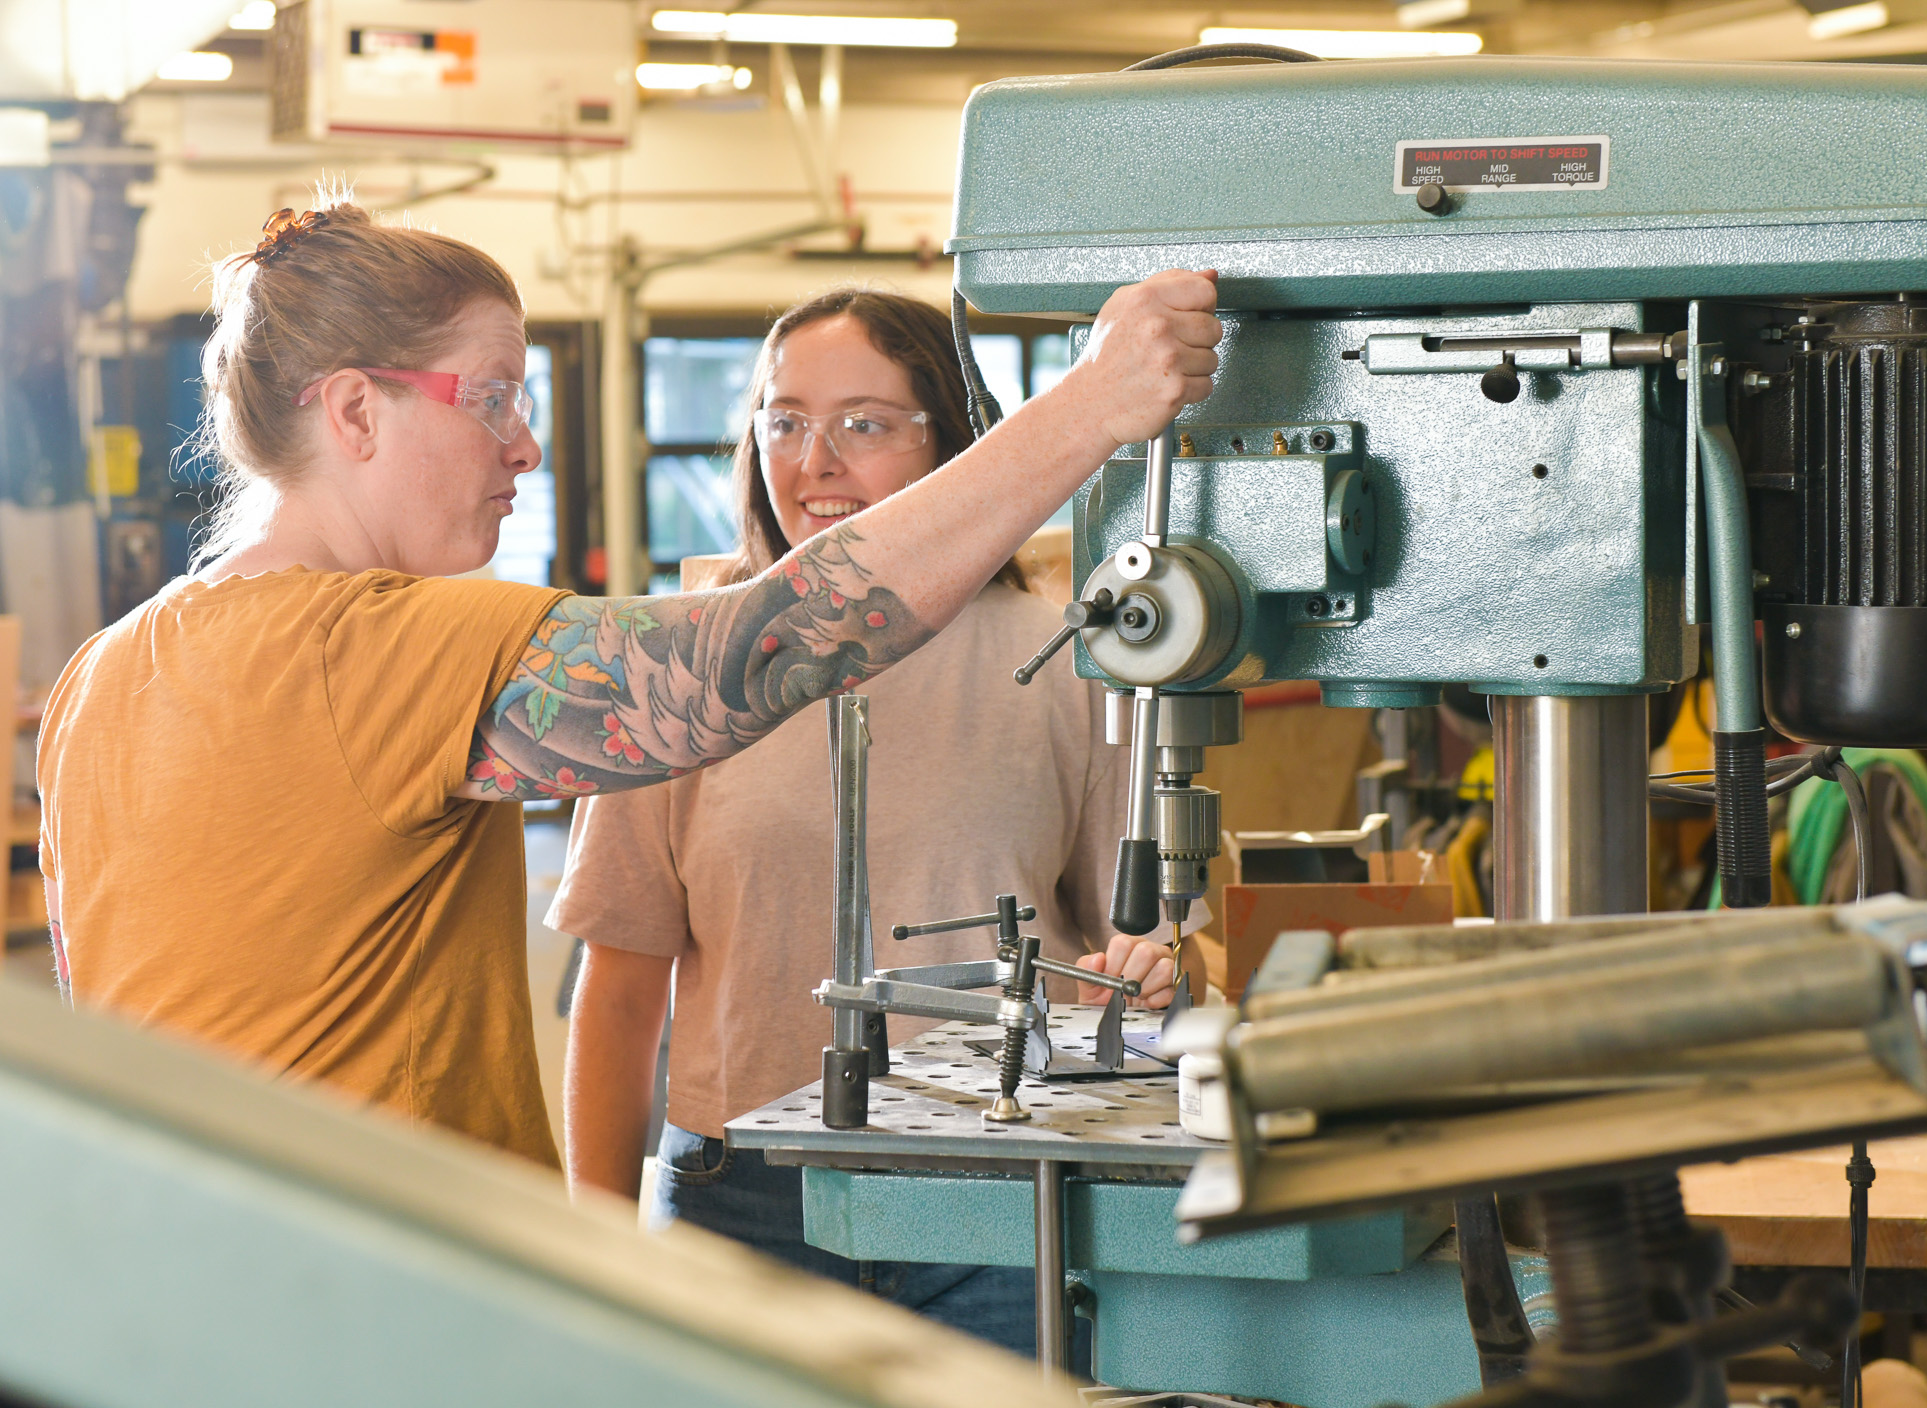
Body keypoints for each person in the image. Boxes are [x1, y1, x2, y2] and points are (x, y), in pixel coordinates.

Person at [35, 197, 1221, 1173]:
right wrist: (1092, 405)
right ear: (355, 409)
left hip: (180, 1260)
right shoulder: (385, 640)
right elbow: (761, 648)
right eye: (492, 396)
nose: (525, 447)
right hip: (378, 1292)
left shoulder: (103, 671)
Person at [545, 289, 1210, 1354]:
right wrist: (595, 1247)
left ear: (948, 439)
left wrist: (1156, 960)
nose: (813, 458)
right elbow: (618, 994)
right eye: (783, 418)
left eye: (862, 423)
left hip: (1003, 1188)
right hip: (744, 1202)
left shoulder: (1065, 659)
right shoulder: (684, 667)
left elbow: (1139, 937)